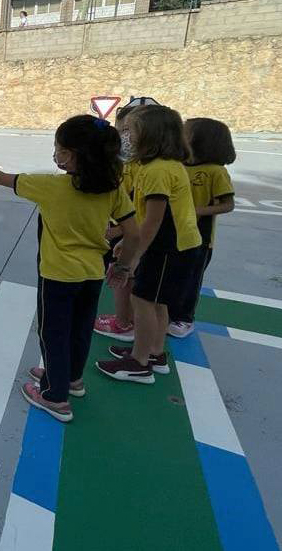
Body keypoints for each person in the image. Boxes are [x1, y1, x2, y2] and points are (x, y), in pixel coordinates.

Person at [0, 114, 140, 422]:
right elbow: (133, 233)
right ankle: (72, 380)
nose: (55, 153)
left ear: (70, 155)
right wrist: (123, 267)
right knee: (81, 330)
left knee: (53, 334)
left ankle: (54, 396)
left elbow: (3, 179)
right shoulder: (112, 189)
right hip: (93, 274)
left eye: (58, 148)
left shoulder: (48, 186)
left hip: (58, 276)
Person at [96, 105, 203, 384]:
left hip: (169, 247)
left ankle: (139, 362)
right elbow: (144, 216)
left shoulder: (157, 171)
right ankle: (154, 352)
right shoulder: (159, 167)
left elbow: (153, 221)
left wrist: (131, 257)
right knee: (158, 301)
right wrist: (125, 242)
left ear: (151, 136)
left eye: (131, 131)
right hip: (178, 246)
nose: (126, 137)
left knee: (142, 299)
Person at [93, 97, 161, 341]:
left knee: (126, 277)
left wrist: (120, 232)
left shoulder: (149, 168)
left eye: (128, 131)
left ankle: (123, 323)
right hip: (127, 231)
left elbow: (139, 208)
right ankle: (126, 320)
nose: (125, 137)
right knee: (128, 279)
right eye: (122, 130)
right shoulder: (137, 163)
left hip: (129, 232)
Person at [167, 118, 236, 337]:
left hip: (200, 239)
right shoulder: (178, 166)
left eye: (186, 131)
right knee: (170, 275)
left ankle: (184, 318)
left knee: (190, 279)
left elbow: (227, 205)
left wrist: (195, 211)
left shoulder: (216, 172)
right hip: (172, 233)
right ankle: (166, 313)